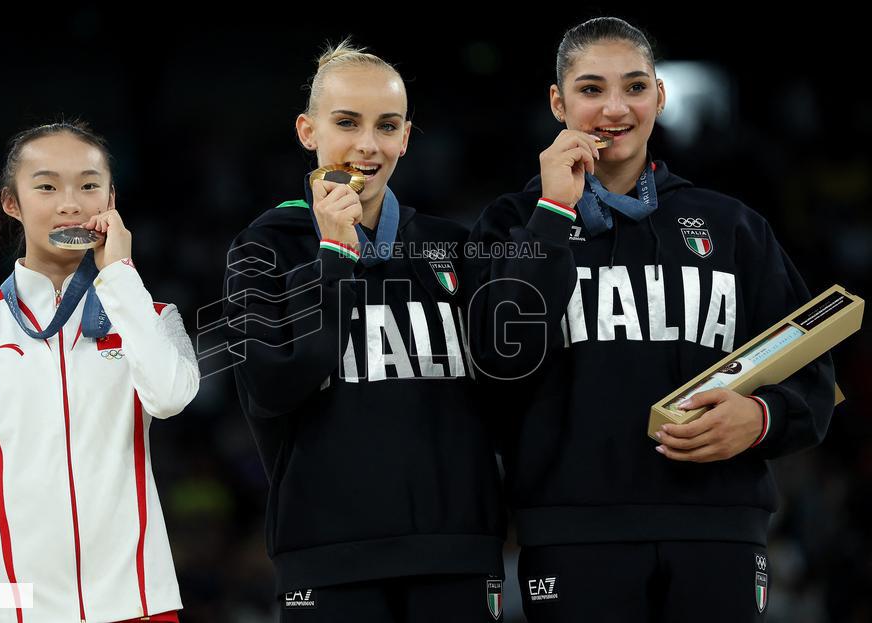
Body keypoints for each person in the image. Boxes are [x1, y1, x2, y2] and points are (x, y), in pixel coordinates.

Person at [473, 16, 836, 622]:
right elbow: (496, 360)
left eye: (635, 87)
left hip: (719, 525)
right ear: (558, 102)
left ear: (660, 97)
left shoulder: (734, 226)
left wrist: (763, 417)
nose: (615, 108)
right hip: (572, 529)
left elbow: (812, 368)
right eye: (591, 90)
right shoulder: (508, 224)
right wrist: (553, 213)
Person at [221, 39, 577, 623]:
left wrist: (555, 218)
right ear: (307, 131)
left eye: (386, 126)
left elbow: (511, 371)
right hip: (328, 555)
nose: (367, 144)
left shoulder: (453, 246)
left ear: (406, 137)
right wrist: (335, 258)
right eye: (346, 123)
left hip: (457, 551)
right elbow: (272, 388)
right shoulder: (265, 247)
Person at [0, 121, 200, 623]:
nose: (70, 203)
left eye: (89, 185)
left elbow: (171, 396)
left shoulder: (152, 318)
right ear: (12, 203)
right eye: (46, 186)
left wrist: (119, 277)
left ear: (112, 199)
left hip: (137, 603)